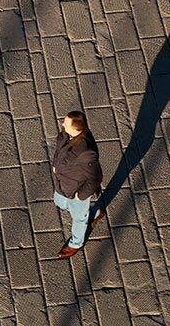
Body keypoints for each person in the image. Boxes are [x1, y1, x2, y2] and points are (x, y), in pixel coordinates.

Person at [50, 110, 103, 259]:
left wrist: (81, 196)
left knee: (79, 218)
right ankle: (95, 213)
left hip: (76, 190)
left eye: (65, 123)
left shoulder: (86, 152)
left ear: (76, 128)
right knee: (60, 203)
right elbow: (59, 150)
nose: (62, 124)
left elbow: (95, 178)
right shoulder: (66, 135)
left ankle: (76, 243)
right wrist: (55, 165)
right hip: (63, 184)